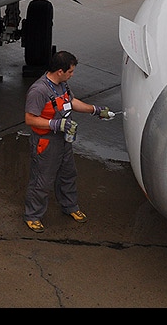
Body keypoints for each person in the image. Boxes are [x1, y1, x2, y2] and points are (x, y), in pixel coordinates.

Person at [23, 50, 114, 233]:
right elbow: (30, 119)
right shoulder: (39, 91)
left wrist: (95, 110)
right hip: (46, 142)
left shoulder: (63, 85)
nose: (72, 75)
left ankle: (70, 206)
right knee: (42, 180)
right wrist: (55, 124)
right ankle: (33, 216)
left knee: (68, 174)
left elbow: (71, 102)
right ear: (60, 71)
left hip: (63, 139)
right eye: (70, 72)